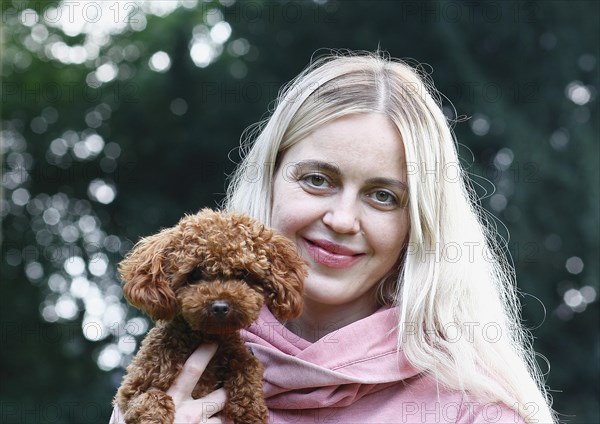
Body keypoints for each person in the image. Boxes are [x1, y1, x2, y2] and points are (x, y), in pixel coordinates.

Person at [111, 51, 556, 423]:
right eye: (318, 180)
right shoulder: (181, 370)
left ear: (418, 222)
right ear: (269, 180)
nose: (342, 220)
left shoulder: (472, 411)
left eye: (383, 196)